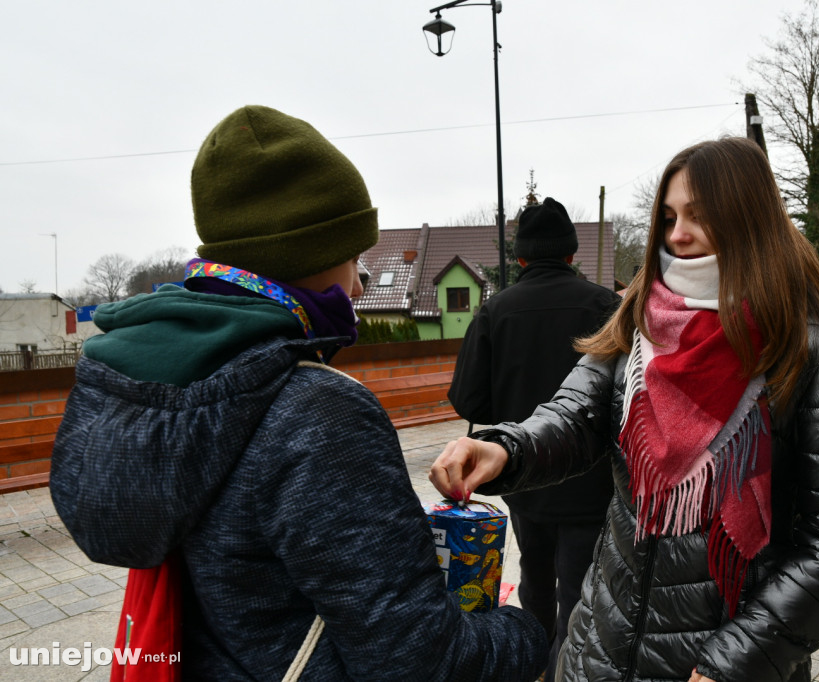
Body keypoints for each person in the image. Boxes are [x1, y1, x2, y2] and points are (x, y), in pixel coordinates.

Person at [49, 105, 547, 681]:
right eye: (353, 258)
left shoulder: (143, 383)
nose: (360, 284)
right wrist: (523, 631)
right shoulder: (320, 412)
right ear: (305, 256)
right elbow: (418, 661)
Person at [430, 137, 819, 682]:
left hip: (719, 659)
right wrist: (505, 447)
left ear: (749, 217)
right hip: (602, 641)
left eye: (699, 216)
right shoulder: (643, 316)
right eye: (668, 216)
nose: (677, 235)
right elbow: (576, 412)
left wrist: (736, 662)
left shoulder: (818, 345)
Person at [447, 196, 620, 680]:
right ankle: (569, 668)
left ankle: (535, 668)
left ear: (520, 257)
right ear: (571, 253)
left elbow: (469, 402)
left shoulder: (495, 310)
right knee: (581, 593)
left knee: (536, 584)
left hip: (523, 480)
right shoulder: (607, 305)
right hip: (591, 486)